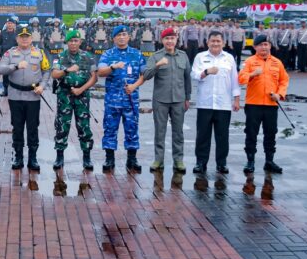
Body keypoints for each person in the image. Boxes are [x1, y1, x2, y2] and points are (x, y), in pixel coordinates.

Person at [132, 27, 191, 174]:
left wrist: (187, 98)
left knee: (178, 132)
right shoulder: (156, 56)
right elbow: (146, 75)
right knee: (160, 131)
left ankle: (178, 160)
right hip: (160, 100)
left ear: (176, 39)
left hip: (178, 100)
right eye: (167, 38)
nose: (170, 41)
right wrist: (157, 65)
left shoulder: (183, 56)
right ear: (162, 40)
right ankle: (159, 160)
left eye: (172, 38)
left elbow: (187, 79)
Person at [0, 26, 50, 171]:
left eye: (27, 37)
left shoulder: (39, 53)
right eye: (22, 37)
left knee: (33, 128)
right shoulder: (10, 53)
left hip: (33, 96)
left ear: (31, 38)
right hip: (15, 96)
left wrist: (43, 86)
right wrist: (16, 66)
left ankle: (33, 158)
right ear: (17, 39)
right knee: (17, 127)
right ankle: (18, 157)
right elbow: (0, 69)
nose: (24, 39)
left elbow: (46, 71)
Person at [97, 25, 147, 173]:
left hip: (131, 100)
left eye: (124, 34)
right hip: (112, 100)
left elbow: (145, 74)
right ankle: (109, 158)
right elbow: (100, 72)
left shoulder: (137, 54)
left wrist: (134, 86)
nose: (121, 37)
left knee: (132, 129)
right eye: (118, 35)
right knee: (110, 129)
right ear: (114, 38)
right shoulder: (108, 54)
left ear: (129, 37)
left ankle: (132, 159)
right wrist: (113, 67)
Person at [190, 31, 240, 174]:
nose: (215, 43)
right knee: (202, 135)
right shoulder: (200, 57)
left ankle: (221, 163)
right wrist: (206, 72)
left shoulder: (229, 58)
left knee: (222, 136)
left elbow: (234, 80)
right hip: (205, 103)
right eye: (213, 41)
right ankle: (200, 162)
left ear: (223, 43)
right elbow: (194, 74)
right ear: (208, 42)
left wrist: (236, 99)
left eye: (218, 41)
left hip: (223, 104)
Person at [238, 34, 289, 174]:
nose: (264, 47)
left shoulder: (277, 62)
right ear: (255, 47)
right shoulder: (249, 61)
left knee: (271, 133)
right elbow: (241, 79)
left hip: (271, 105)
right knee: (251, 133)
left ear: (270, 46)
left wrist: (280, 94)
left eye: (266, 44)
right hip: (253, 104)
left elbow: (284, 80)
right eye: (260, 45)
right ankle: (250, 161)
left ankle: (269, 160)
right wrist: (253, 74)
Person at [50, 29, 97, 170]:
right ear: (67, 42)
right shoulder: (60, 56)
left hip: (82, 96)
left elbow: (94, 77)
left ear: (80, 42)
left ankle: (87, 157)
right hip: (64, 95)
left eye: (76, 41)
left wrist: (80, 90)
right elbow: (54, 74)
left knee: (84, 126)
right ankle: (59, 157)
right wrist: (66, 70)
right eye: (71, 41)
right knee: (62, 125)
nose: (73, 43)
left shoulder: (88, 56)